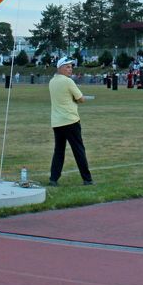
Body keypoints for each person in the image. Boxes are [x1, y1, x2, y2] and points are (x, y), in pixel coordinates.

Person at [48, 56, 93, 187]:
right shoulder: (68, 82)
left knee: (59, 151)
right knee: (79, 150)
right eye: (67, 67)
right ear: (60, 68)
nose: (70, 69)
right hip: (70, 120)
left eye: (71, 67)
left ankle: (53, 178)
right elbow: (80, 98)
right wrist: (79, 99)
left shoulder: (52, 81)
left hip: (57, 122)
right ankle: (87, 179)